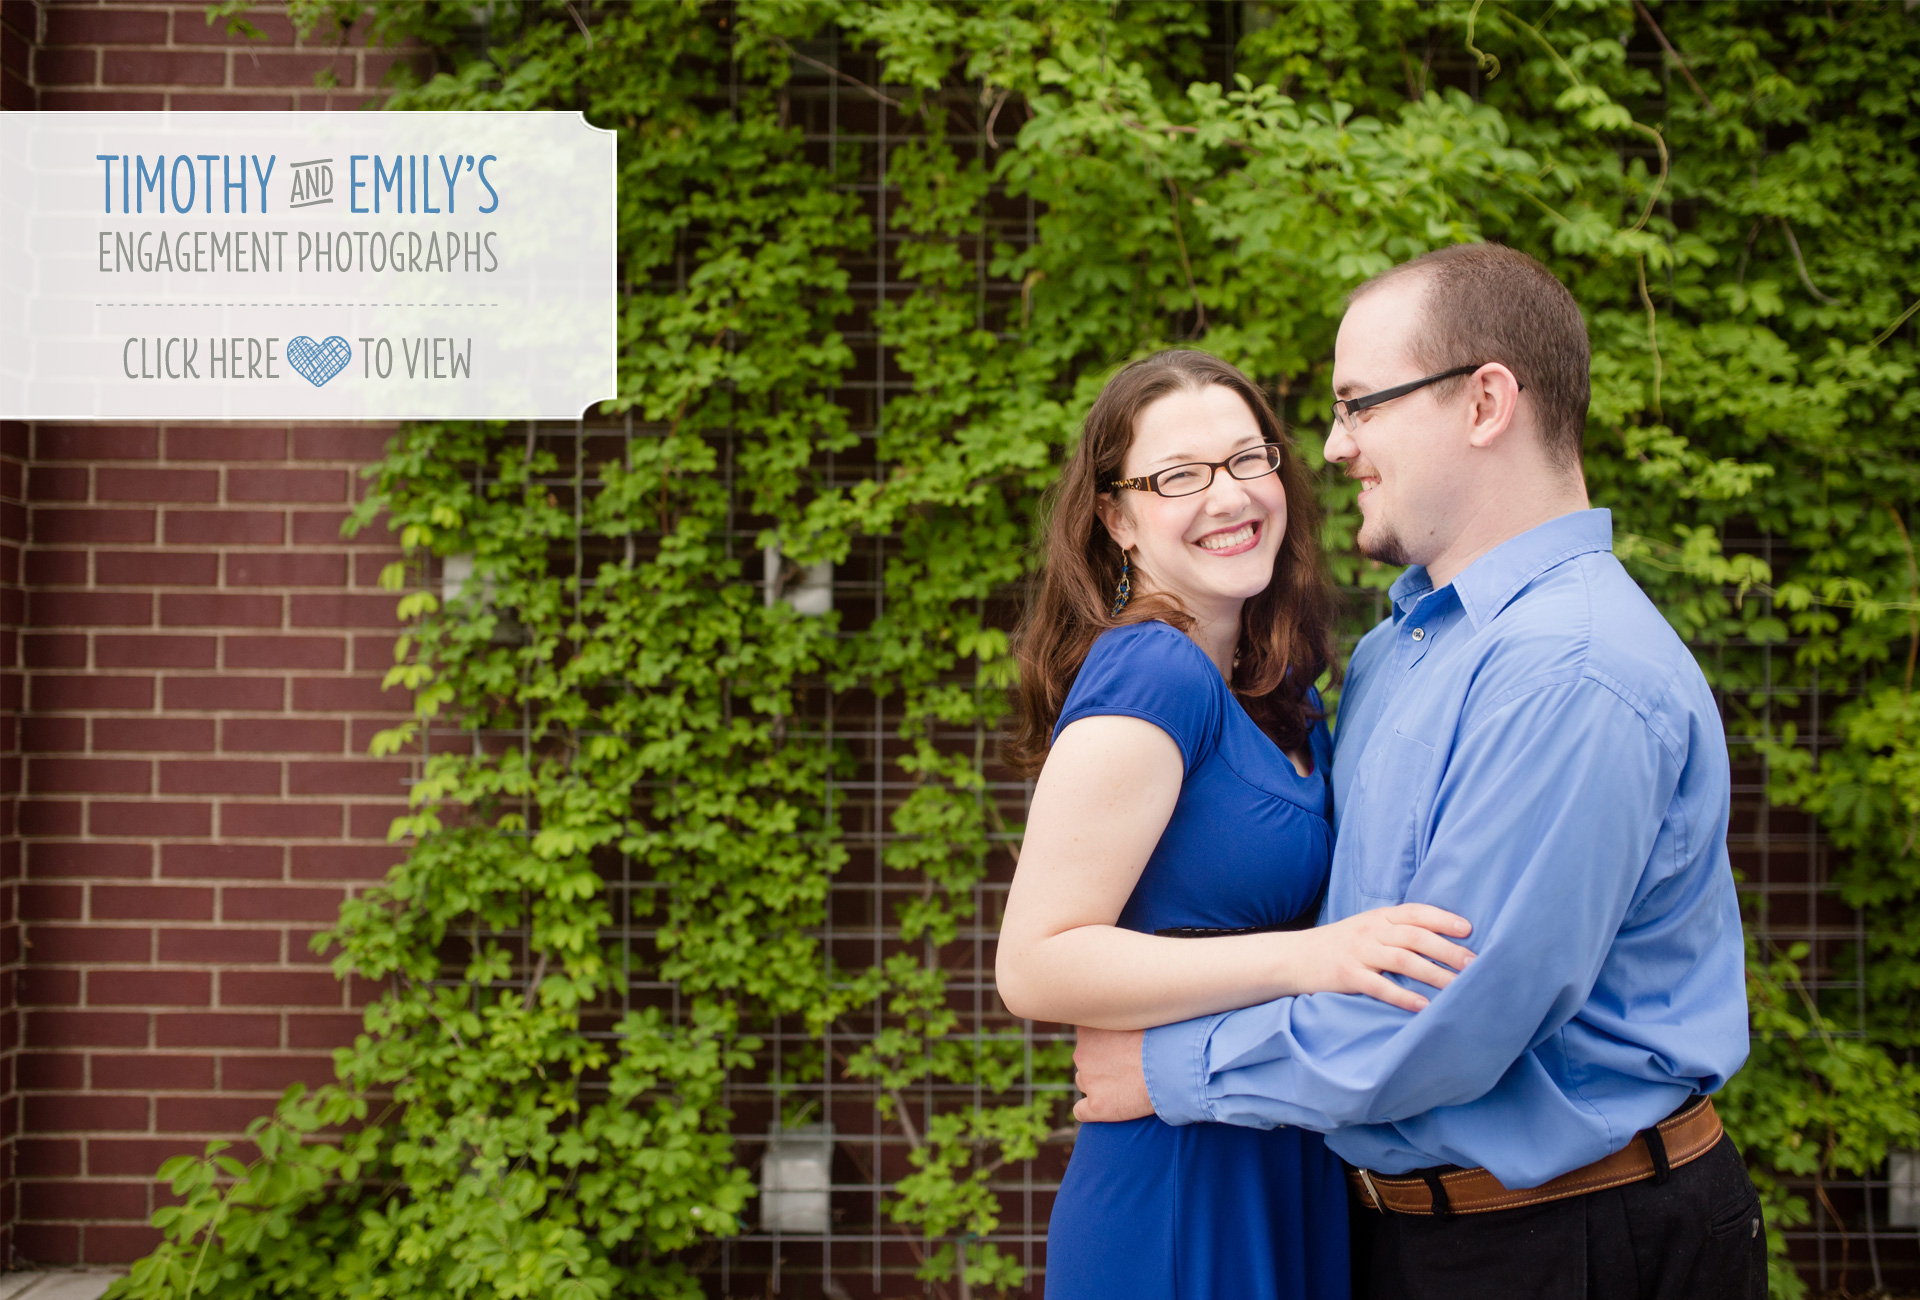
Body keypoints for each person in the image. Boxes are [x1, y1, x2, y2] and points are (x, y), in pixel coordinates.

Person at [1070, 243, 1767, 1300]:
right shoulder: (1407, 646)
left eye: (1362, 405)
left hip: (1574, 1241)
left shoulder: (1569, 672)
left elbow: (1448, 1020)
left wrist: (1168, 1066)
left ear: (1486, 401)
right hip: (1405, 1233)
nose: (1337, 446)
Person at [997, 348, 1480, 1300]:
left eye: (1247, 459)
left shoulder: (1273, 684)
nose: (1228, 497)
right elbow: (1036, 963)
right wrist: (1313, 958)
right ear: (1116, 518)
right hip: (1181, 1188)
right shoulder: (1153, 672)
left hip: (1280, 1155)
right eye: (1178, 476)